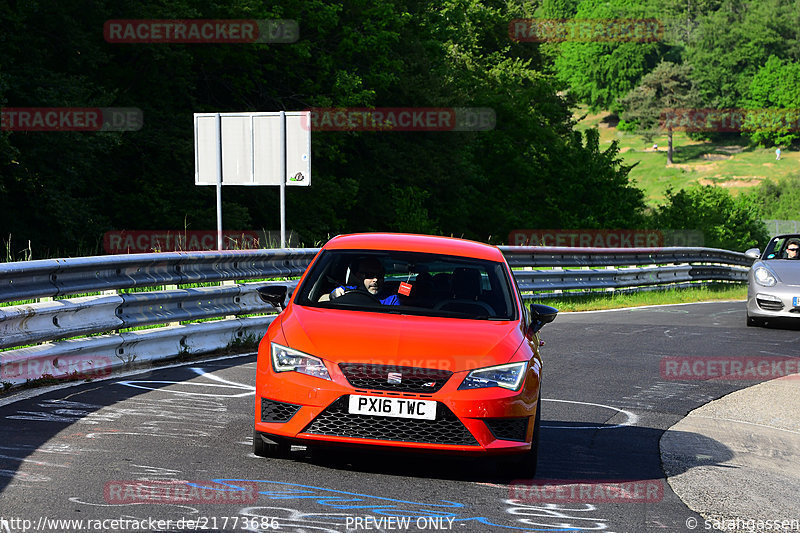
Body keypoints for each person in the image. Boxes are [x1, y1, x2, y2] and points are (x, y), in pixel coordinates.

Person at [330, 257, 400, 305]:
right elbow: (334, 294)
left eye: (380, 275)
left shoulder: (391, 298)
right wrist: (333, 294)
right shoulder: (348, 291)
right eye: (370, 275)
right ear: (359, 276)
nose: (376, 280)